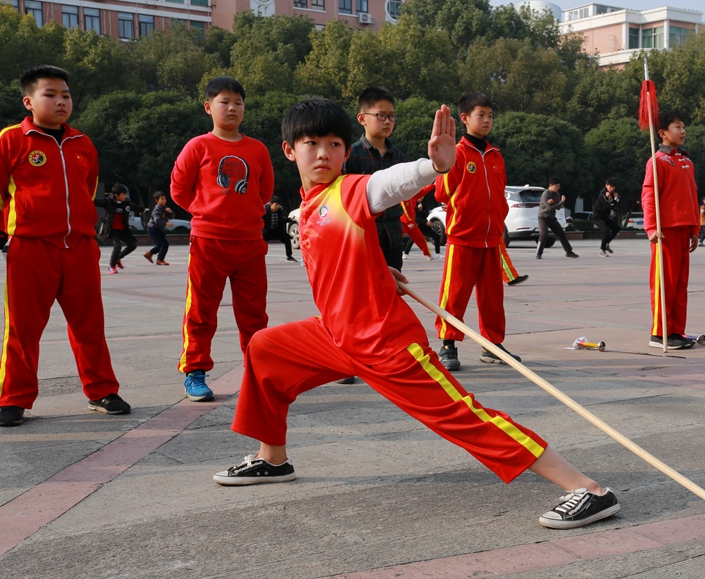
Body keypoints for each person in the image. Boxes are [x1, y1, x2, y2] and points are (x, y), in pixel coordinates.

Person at [214, 97, 620, 530]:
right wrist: (377, 267)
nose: (323, 153)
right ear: (290, 150)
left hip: (386, 345)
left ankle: (589, 489)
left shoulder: (349, 190)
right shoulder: (309, 205)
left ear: (345, 152)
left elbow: (386, 185)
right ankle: (272, 458)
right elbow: (342, 255)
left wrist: (434, 167)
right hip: (335, 336)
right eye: (311, 143)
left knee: (463, 418)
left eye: (334, 144)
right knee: (265, 348)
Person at [0, 65, 131, 427]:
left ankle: (102, 391)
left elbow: (87, 191)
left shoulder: (82, 144)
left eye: (66, 95)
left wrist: (82, 229)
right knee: (23, 327)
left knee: (89, 325)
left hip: (80, 247)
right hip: (30, 248)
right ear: (28, 101)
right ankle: (13, 398)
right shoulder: (10, 140)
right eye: (50, 94)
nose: (61, 101)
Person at [170, 76, 275, 402]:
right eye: (224, 101)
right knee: (200, 311)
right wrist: (205, 212)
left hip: (249, 244)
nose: (232, 108)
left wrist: (245, 214)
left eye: (238, 102)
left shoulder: (257, 149)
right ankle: (195, 371)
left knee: (254, 314)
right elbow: (179, 189)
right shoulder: (198, 146)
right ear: (208, 107)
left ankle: (259, 370)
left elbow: (265, 190)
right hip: (208, 243)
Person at [434, 92, 521, 370]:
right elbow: (441, 194)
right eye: (480, 115)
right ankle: (448, 345)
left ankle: (493, 345)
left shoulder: (495, 155)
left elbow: (499, 192)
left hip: (492, 240)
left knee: (493, 299)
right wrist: (444, 162)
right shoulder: (457, 153)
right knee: (454, 295)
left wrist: (499, 219)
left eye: (490, 115)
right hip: (462, 238)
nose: (486, 120)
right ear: (465, 118)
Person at [642, 110, 699, 350]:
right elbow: (649, 196)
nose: (683, 131)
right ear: (663, 133)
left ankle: (677, 330)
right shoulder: (657, 161)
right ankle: (659, 333)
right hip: (665, 231)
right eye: (677, 127)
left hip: (684, 229)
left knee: (680, 284)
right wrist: (652, 227)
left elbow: (693, 196)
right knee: (665, 282)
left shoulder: (686, 161)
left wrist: (695, 228)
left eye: (684, 126)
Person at [342, 86, 406, 271]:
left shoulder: (398, 157)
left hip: (393, 238)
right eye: (381, 115)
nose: (388, 121)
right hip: (362, 239)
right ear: (362, 118)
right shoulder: (350, 155)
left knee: (391, 293)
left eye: (391, 116)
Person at [98, 183, 144, 274]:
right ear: (116, 195)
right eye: (123, 194)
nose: (125, 196)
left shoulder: (126, 202)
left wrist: (142, 209)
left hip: (123, 229)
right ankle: (111, 266)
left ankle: (118, 258)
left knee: (133, 245)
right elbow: (97, 201)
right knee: (117, 246)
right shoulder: (108, 202)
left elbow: (134, 206)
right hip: (112, 230)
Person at [536, 177, 578, 259]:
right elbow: (550, 208)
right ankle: (539, 253)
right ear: (550, 185)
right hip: (543, 217)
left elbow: (558, 207)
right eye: (556, 186)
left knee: (561, 233)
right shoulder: (546, 194)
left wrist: (559, 203)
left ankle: (569, 252)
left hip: (552, 217)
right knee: (544, 234)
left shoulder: (557, 194)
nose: (557, 188)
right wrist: (561, 202)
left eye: (559, 186)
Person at [262, 196, 296, 262]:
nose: (277, 206)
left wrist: (289, 219)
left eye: (278, 204)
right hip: (266, 230)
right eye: (275, 204)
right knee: (259, 242)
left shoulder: (280, 209)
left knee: (287, 239)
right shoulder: (264, 209)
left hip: (276, 230)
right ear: (271, 204)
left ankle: (289, 256)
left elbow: (282, 218)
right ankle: (258, 257)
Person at [144, 191, 173, 265]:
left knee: (161, 244)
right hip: (153, 229)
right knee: (164, 244)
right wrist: (166, 224)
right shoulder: (157, 209)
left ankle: (149, 253)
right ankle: (160, 259)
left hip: (158, 229)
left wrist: (170, 212)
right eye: (162, 199)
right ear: (157, 200)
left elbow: (171, 216)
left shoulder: (164, 208)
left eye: (165, 199)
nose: (164, 201)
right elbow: (157, 220)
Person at [594, 178, 620, 256]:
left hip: (605, 217)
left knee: (616, 228)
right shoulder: (603, 195)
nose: (612, 189)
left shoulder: (612, 194)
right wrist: (614, 199)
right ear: (606, 185)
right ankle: (602, 250)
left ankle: (606, 243)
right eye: (610, 186)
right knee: (606, 231)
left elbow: (614, 206)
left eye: (613, 187)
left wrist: (614, 200)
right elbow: (610, 206)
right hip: (597, 217)